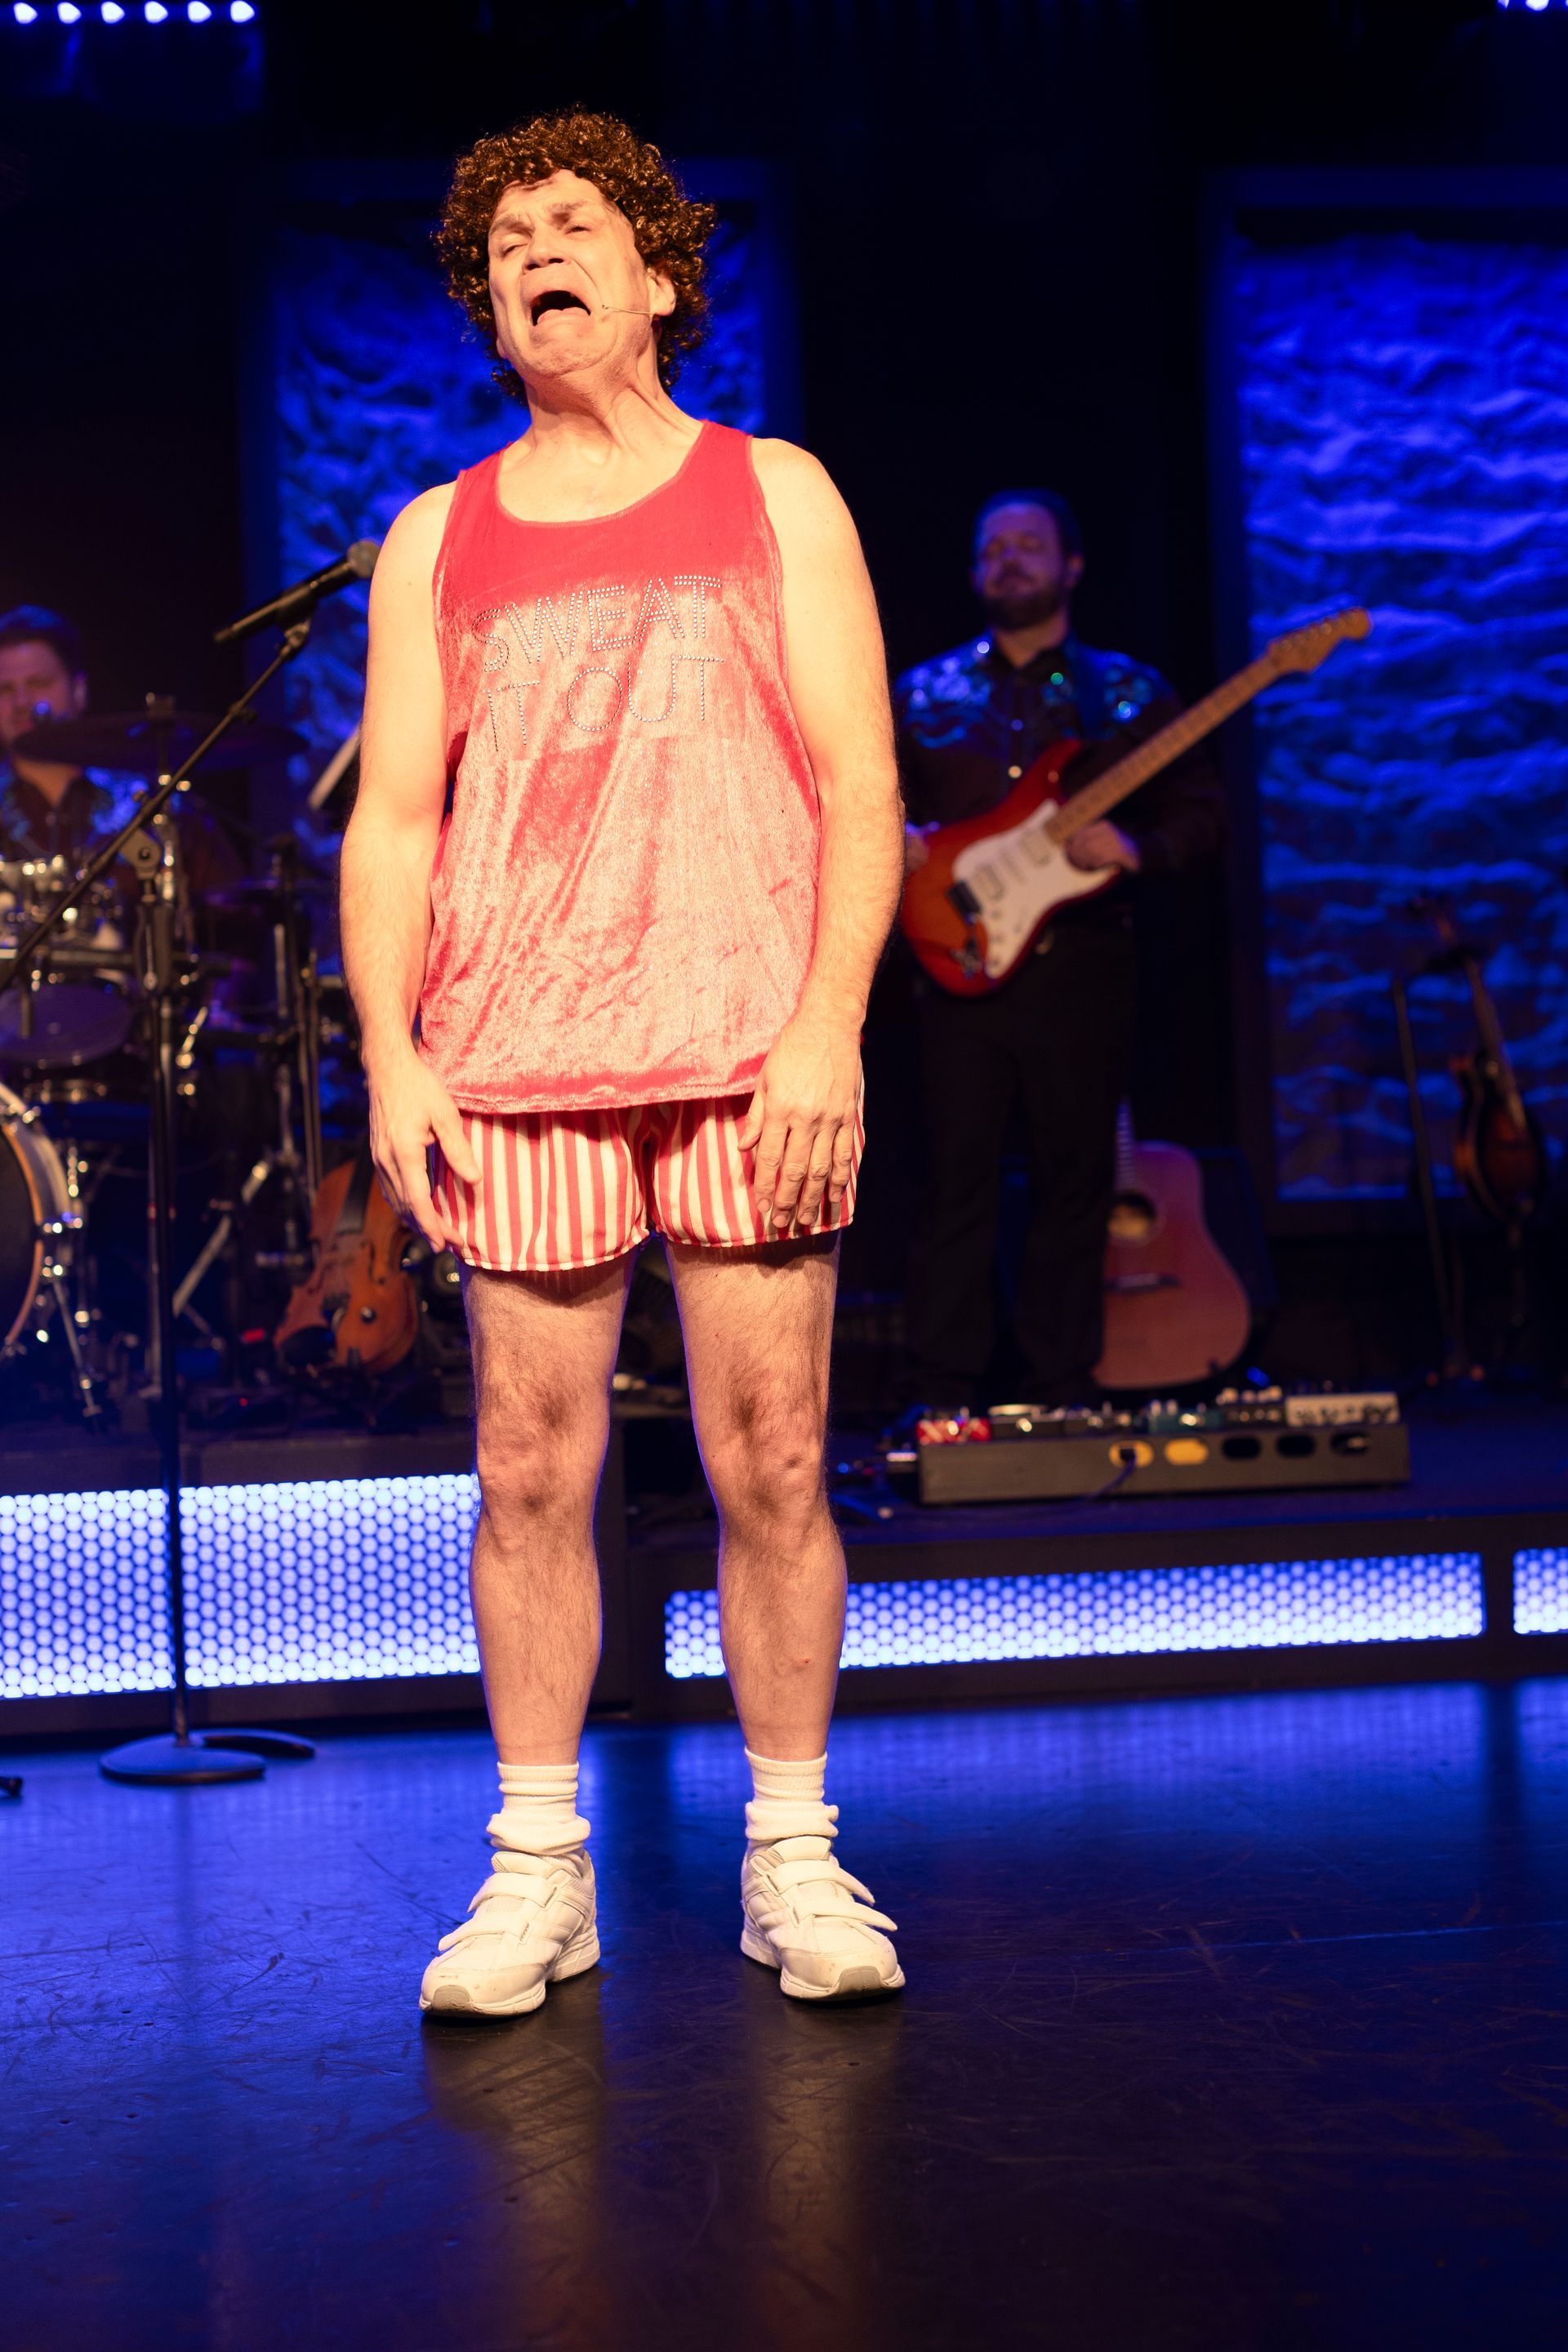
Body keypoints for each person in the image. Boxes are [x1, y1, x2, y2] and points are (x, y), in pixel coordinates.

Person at [340, 112, 906, 2016]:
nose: (535, 252)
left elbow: (859, 786)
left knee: (772, 1458)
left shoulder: (779, 494)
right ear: (487, 305)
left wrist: (825, 1025)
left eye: (573, 224)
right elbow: (396, 824)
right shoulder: (440, 534)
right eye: (504, 241)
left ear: (657, 273)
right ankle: (533, 1877)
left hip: (747, 1052)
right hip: (518, 1060)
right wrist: (394, 1058)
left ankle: (794, 1856)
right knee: (525, 1467)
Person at [895, 491, 1224, 1407]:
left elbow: (1202, 813)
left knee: (1076, 1183)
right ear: (972, 573)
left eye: (1029, 545)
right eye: (992, 547)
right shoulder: (921, 693)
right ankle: (944, 1391)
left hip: (1082, 967)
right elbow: (866, 796)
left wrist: (1136, 849)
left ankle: (1060, 1386)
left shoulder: (1125, 693)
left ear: (1072, 566)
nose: (1009, 559)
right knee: (952, 1183)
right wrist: (902, 839)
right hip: (953, 960)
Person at [0, 604, 240, 896]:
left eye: (38, 683)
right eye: (5, 690)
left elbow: (233, 915)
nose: (22, 702)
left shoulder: (150, 804)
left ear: (79, 691)